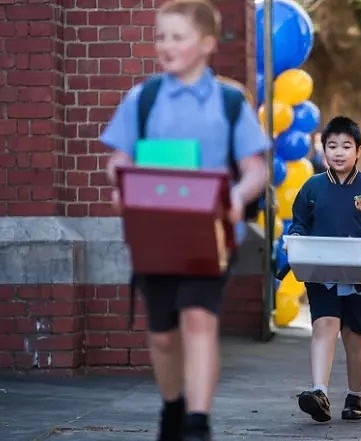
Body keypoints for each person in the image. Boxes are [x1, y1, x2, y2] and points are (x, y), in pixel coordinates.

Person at [100, 1, 269, 440]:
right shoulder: (144, 98)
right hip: (154, 236)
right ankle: (173, 405)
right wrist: (119, 184)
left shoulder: (230, 102)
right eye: (161, 37)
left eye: (178, 37)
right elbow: (120, 157)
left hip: (209, 237)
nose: (166, 46)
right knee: (162, 336)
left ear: (208, 44)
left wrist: (236, 194)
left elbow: (255, 169)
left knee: (199, 319)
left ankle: (198, 421)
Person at [288, 117, 361, 423]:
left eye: (346, 146)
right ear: (323, 151)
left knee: (355, 335)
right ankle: (319, 393)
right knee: (324, 325)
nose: (339, 152)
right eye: (332, 146)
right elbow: (299, 222)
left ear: (358, 150)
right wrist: (295, 238)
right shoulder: (312, 187)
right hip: (321, 271)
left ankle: (355, 396)